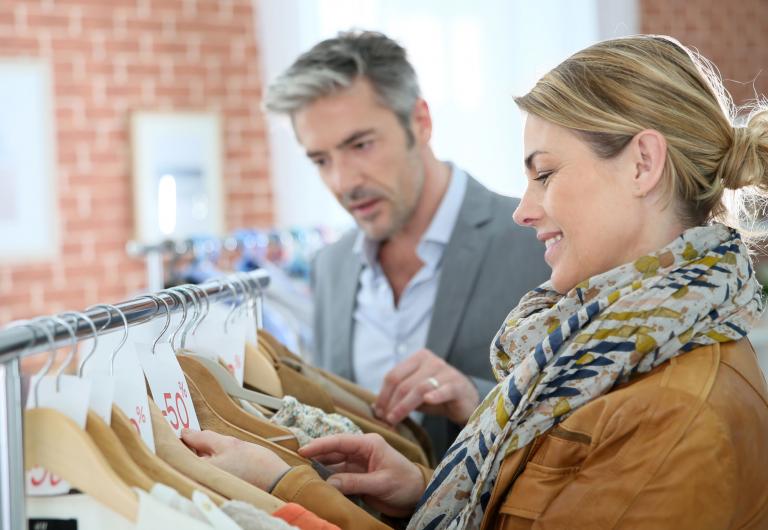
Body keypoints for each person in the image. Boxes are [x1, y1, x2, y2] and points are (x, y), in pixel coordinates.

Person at [184, 35, 768, 529]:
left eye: (545, 173)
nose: (525, 209)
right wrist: (422, 489)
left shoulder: (670, 408)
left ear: (642, 164)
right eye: (320, 160)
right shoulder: (593, 336)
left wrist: (290, 489)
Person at [262, 30, 549, 457]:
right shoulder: (330, 268)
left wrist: (476, 398)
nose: (342, 182)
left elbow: (591, 419)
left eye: (360, 145)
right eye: (321, 160)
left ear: (420, 122)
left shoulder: (539, 241)